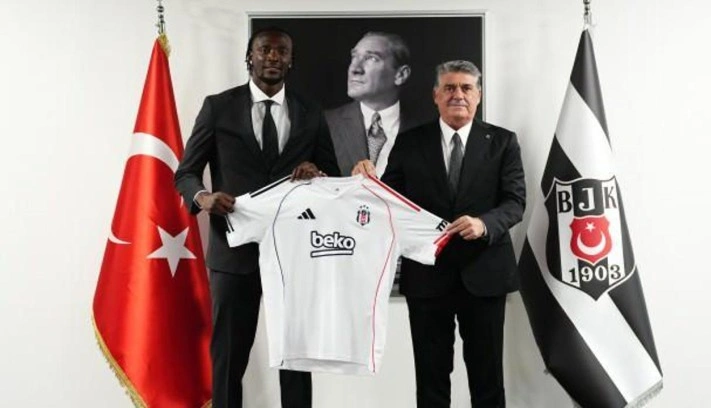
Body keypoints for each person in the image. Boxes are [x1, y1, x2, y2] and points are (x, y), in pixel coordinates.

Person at [174, 27, 340, 408]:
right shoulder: (218, 107)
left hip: (292, 254)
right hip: (233, 254)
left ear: (291, 61)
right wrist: (203, 197)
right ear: (250, 57)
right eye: (264, 50)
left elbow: (332, 174)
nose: (273, 57)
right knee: (229, 357)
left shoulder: (310, 111)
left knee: (295, 360)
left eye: (282, 51)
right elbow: (185, 173)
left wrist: (316, 173)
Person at [353, 60, 526, 407]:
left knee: (488, 381)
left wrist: (484, 224)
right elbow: (390, 203)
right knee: (431, 382)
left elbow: (515, 202)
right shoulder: (410, 142)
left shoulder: (502, 142)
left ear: (478, 95)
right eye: (449, 88)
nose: (457, 95)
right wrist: (366, 180)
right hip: (427, 279)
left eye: (466, 88)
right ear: (435, 95)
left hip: (485, 276)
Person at [325, 31, 422, 176]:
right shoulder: (325, 124)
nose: (355, 69)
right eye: (354, 57)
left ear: (401, 75)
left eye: (371, 58)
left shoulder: (427, 131)